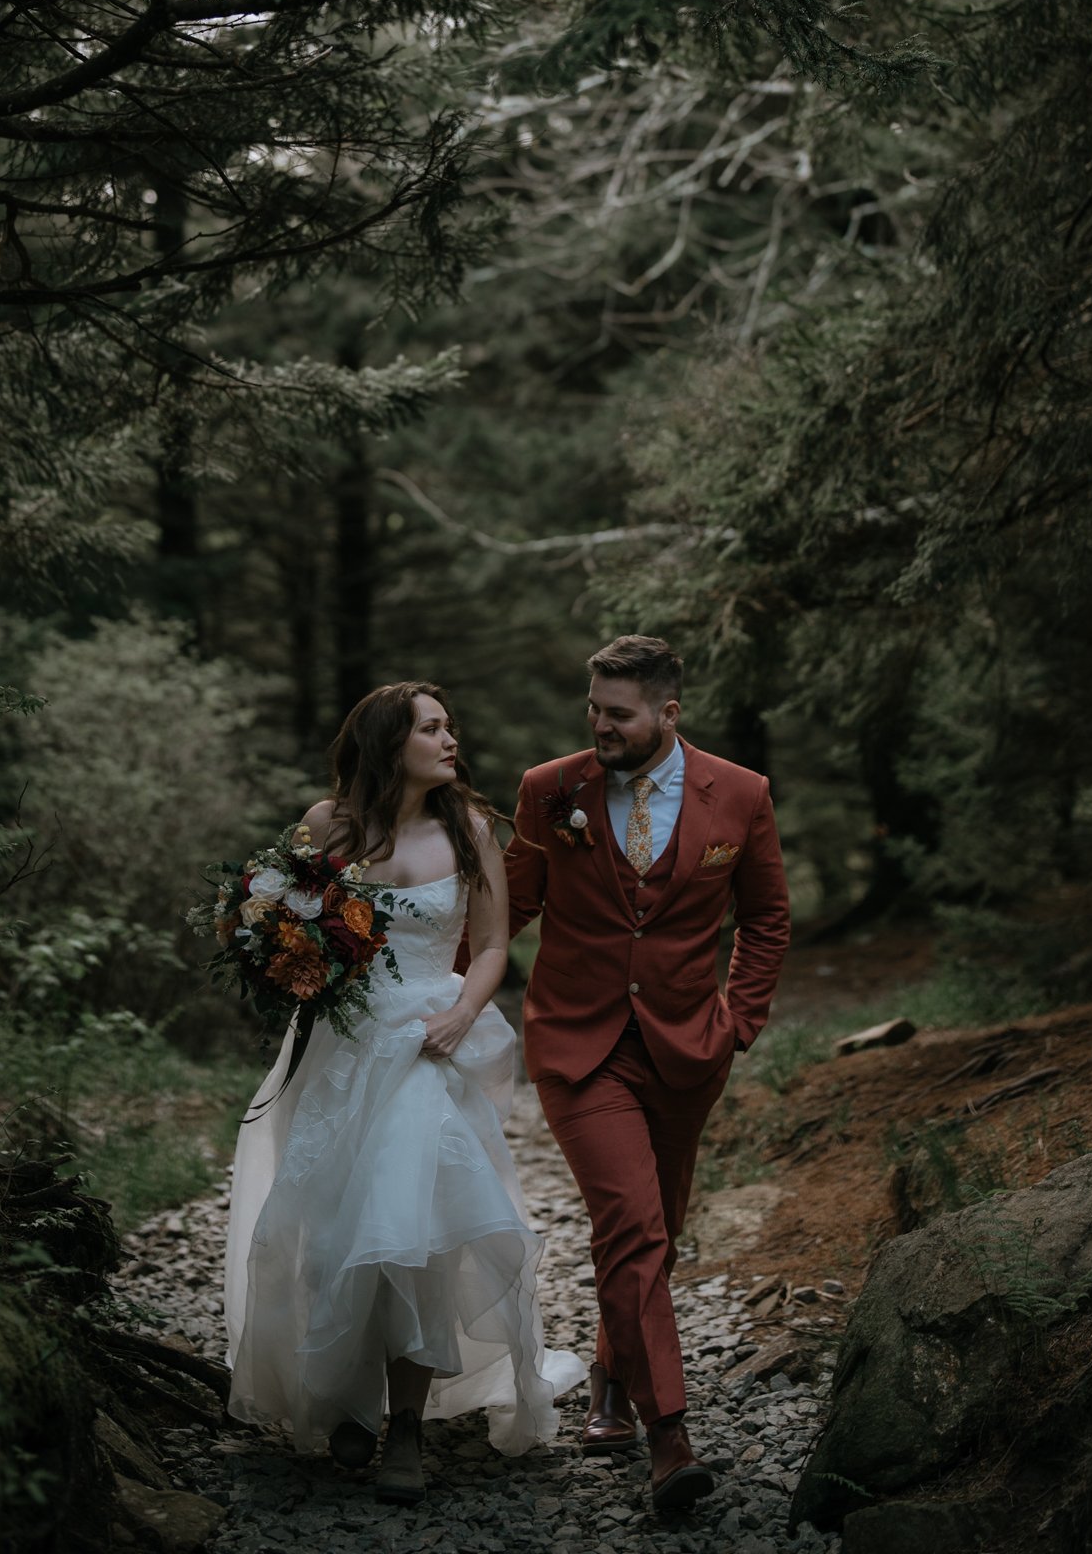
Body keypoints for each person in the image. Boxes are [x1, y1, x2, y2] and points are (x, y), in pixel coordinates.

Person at [223, 681, 584, 1504]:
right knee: (334, 1222)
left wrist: (462, 1013)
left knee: (414, 1227)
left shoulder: (471, 829)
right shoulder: (327, 825)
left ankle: (408, 1427)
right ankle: (345, 1397)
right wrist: (283, 957)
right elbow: (288, 923)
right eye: (432, 728)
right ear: (391, 743)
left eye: (450, 725)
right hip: (340, 1046)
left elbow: (491, 943)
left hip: (428, 1041)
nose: (451, 739)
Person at [505, 634, 791, 1521]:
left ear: (669, 712)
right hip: (578, 1045)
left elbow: (767, 917)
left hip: (684, 1048)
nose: (599, 727)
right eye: (592, 708)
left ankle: (607, 1371)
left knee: (654, 1226)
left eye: (617, 714)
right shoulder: (550, 791)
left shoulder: (741, 794)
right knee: (630, 1223)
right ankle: (669, 1437)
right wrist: (387, 948)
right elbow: (508, 907)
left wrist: (738, 1021)